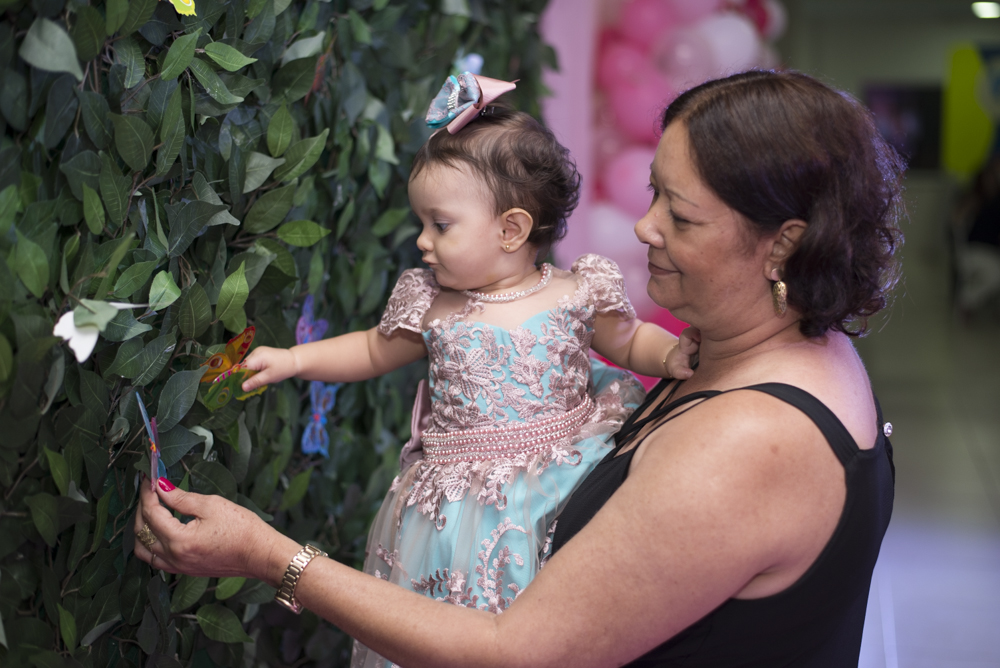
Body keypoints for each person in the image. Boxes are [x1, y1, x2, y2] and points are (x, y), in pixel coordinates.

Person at [134, 69, 899, 667]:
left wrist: (271, 556)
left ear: (782, 243)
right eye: (652, 194)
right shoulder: (781, 352)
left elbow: (514, 653)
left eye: (680, 213)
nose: (644, 226)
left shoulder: (753, 440)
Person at [198, 72, 693, 664]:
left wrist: (669, 355)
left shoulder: (574, 291)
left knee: (554, 620)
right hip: (461, 512)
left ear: (511, 229)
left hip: (562, 484)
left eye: (440, 225)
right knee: (456, 623)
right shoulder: (432, 304)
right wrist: (295, 359)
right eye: (421, 223)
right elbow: (372, 350)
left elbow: (629, 340)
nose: (422, 241)